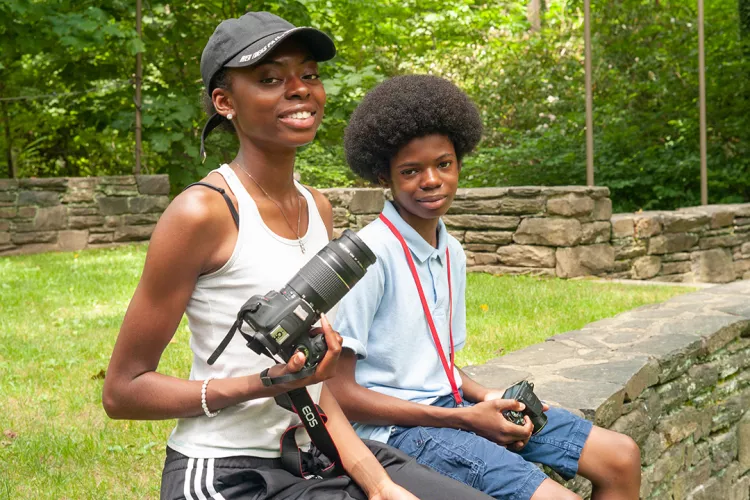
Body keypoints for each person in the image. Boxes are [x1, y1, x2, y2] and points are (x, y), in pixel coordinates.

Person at [102, 13, 494, 500]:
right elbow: (123, 391)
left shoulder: (316, 208)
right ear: (225, 102)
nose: (299, 89)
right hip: (228, 471)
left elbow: (318, 384)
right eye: (269, 79)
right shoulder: (202, 212)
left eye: (308, 75)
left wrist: (379, 485)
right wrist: (262, 382)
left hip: (316, 450)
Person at [327, 75, 643, 500]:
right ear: (383, 175)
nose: (432, 180)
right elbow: (338, 392)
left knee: (620, 455)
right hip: (399, 432)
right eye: (410, 170)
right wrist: (467, 418)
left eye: (444, 164)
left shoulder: (450, 250)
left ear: (459, 162)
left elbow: (441, 365)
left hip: (454, 409)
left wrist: (489, 396)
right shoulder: (367, 255)